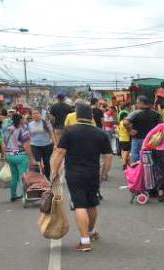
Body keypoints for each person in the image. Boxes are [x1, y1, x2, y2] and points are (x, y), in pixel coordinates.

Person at [50, 103, 112, 252]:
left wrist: (54, 171)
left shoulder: (69, 131)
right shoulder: (100, 133)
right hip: (93, 173)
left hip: (74, 173)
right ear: (91, 116)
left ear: (76, 116)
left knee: (80, 205)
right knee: (92, 204)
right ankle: (90, 232)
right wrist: (104, 173)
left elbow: (59, 153)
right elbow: (108, 157)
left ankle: (85, 241)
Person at [1, 113, 35, 201]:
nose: (24, 120)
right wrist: (31, 158)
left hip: (10, 156)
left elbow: (3, 144)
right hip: (20, 156)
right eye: (23, 119)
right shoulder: (23, 130)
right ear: (20, 120)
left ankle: (13, 195)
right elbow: (26, 146)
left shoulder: (6, 129)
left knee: (14, 176)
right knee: (23, 176)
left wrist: (5, 155)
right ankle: (25, 196)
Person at [124, 96, 162, 163]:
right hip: (152, 140)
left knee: (136, 157)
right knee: (150, 158)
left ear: (141, 103)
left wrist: (129, 130)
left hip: (138, 139)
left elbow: (125, 122)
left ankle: (138, 171)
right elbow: (161, 126)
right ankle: (149, 172)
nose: (136, 104)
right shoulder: (156, 114)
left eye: (137, 103)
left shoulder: (135, 113)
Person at [28, 108, 56, 178]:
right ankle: (39, 178)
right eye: (33, 114)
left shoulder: (46, 123)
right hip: (35, 146)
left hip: (47, 145)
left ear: (40, 114)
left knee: (47, 162)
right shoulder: (29, 124)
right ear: (31, 115)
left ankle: (47, 177)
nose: (35, 115)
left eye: (36, 113)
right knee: (38, 163)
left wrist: (55, 144)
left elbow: (51, 133)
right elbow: (28, 136)